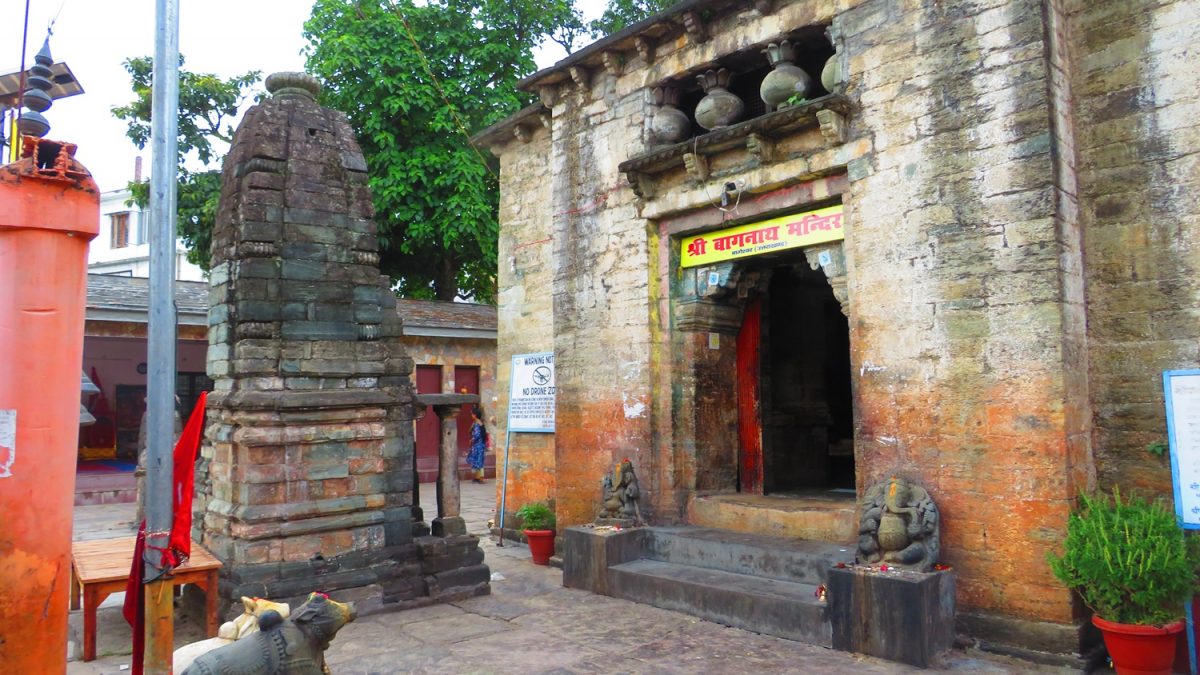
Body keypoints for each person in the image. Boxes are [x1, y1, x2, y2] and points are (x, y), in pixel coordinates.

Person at [467, 407, 488, 484]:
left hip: (478, 444)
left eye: (472, 414)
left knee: (478, 460)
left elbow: (477, 434)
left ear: (475, 415)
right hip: (480, 444)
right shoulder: (478, 422)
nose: (471, 415)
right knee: (477, 459)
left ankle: (481, 478)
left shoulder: (477, 423)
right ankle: (477, 477)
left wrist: (472, 440)